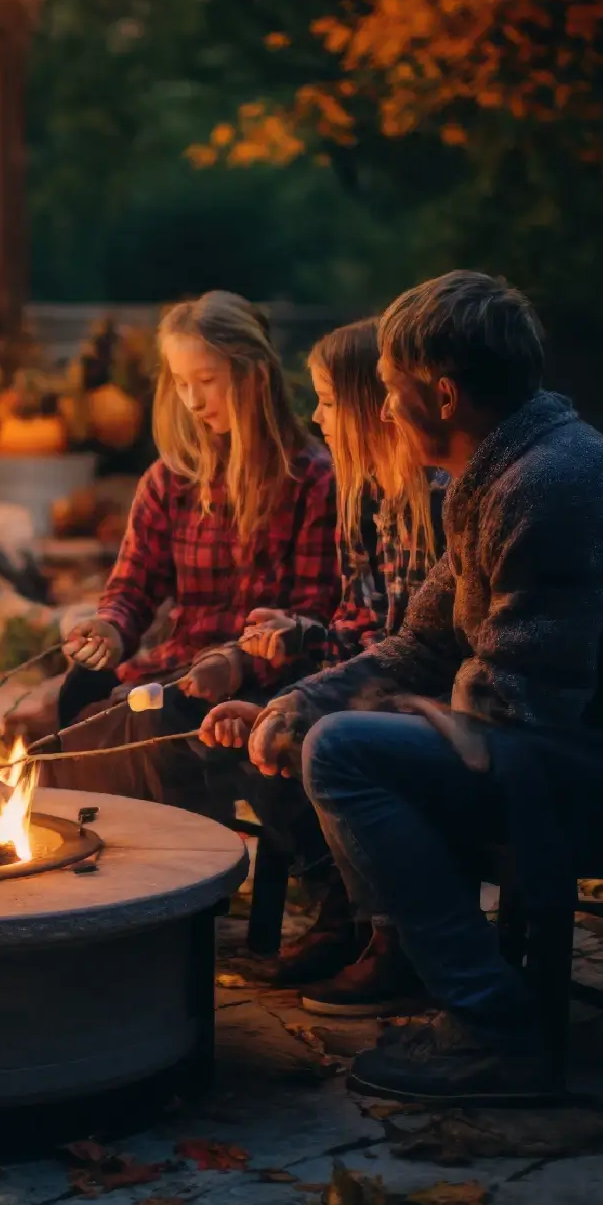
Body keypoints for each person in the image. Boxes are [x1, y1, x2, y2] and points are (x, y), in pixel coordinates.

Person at [240, 270, 603, 1104]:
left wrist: (351, 720)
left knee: (350, 753)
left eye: (389, 389)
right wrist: (302, 699)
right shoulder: (501, 475)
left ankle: (493, 1030)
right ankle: (441, 975)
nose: (381, 409)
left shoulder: (551, 488)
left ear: (444, 393)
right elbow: (424, 643)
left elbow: (514, 710)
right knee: (334, 731)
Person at [199, 319, 447, 998]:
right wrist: (304, 637)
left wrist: (305, 700)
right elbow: (366, 628)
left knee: (308, 733)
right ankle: (343, 914)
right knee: (235, 730)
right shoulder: (374, 496)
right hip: (394, 681)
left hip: (440, 704)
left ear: (376, 406)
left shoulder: (438, 500)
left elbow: (422, 653)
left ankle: (384, 934)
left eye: (330, 401)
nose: (316, 415)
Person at [51, 290, 338, 828]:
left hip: (271, 680)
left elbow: (315, 614)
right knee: (67, 731)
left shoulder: (311, 479)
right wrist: (111, 629)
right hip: (180, 670)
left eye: (205, 381)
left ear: (252, 374)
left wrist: (238, 659)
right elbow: (132, 589)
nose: (192, 399)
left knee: (149, 726)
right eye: (180, 383)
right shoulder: (171, 479)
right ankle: (134, 876)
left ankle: (189, 877)